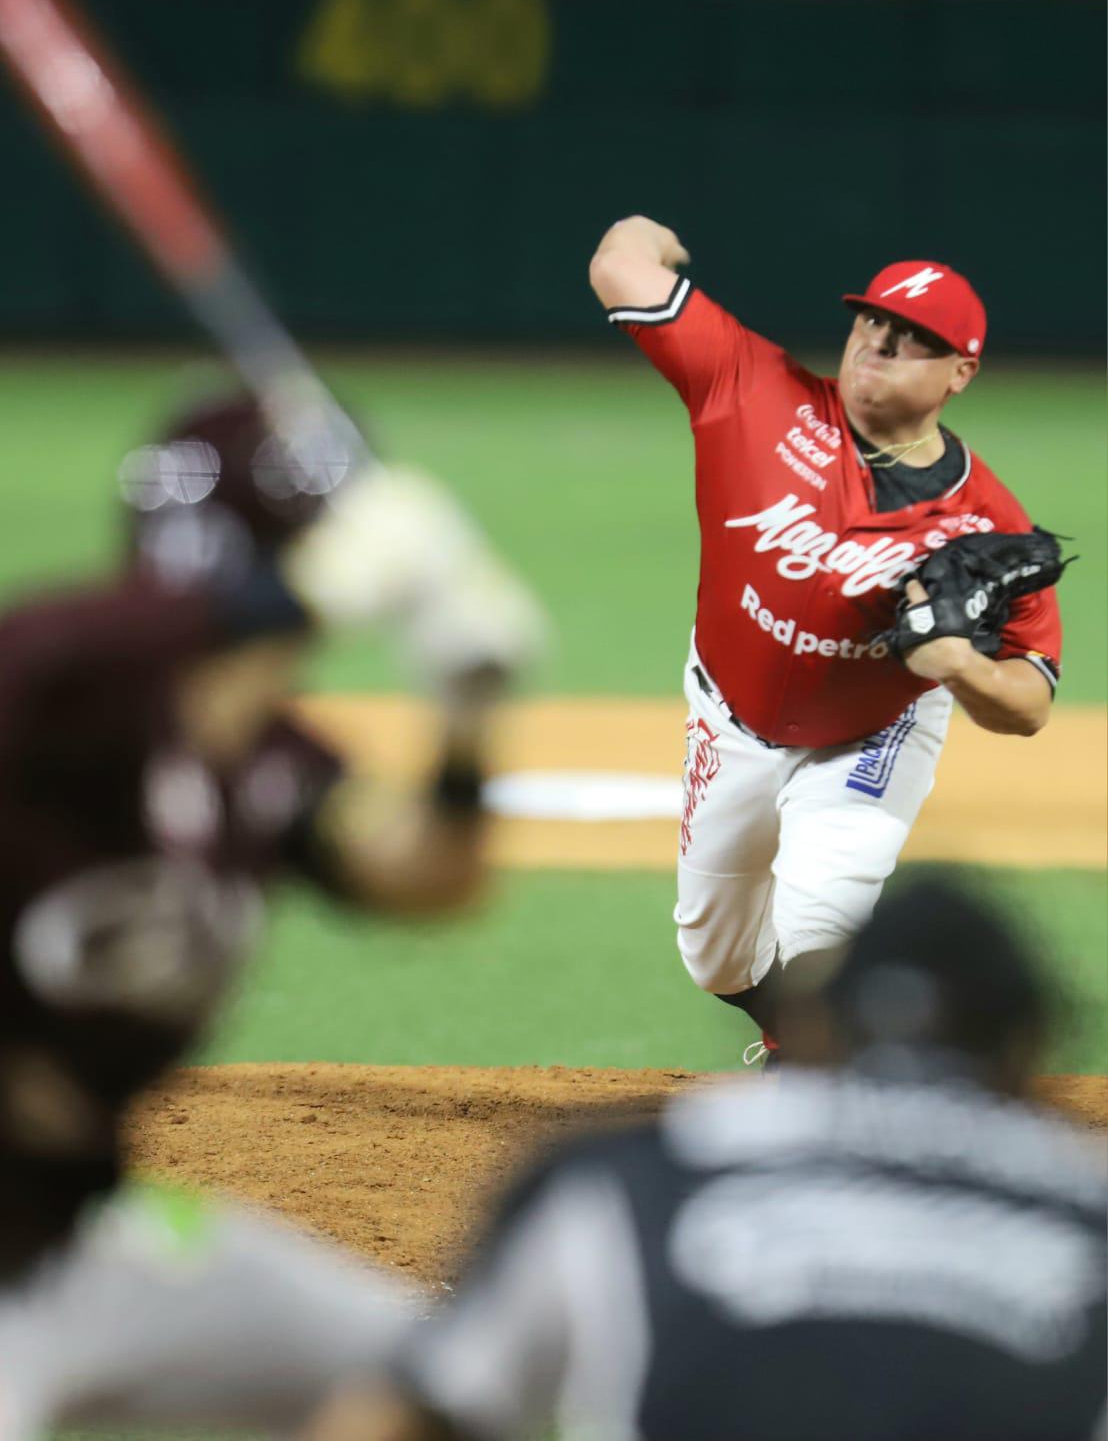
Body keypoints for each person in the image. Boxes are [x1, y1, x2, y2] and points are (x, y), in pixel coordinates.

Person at [0, 389, 544, 1434]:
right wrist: (314, 584)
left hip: (79, 1231)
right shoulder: (56, 675)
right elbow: (91, 649)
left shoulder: (263, 754)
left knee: (446, 1383)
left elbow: (428, 880)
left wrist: (469, 723)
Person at [306, 874, 1107, 1441]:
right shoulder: (1085, 1199)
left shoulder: (628, 1167)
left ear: (818, 1030)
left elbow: (406, 1416)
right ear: (1026, 1050)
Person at [586, 217, 1065, 1060]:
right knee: (716, 955)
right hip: (728, 715)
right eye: (872, 321)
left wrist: (958, 664)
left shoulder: (985, 520)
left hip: (871, 738)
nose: (879, 342)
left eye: (913, 339)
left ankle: (841, 1090)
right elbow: (618, 263)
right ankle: (794, 1040)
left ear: (962, 372)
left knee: (818, 933)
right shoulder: (749, 387)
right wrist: (651, 235)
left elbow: (1029, 701)